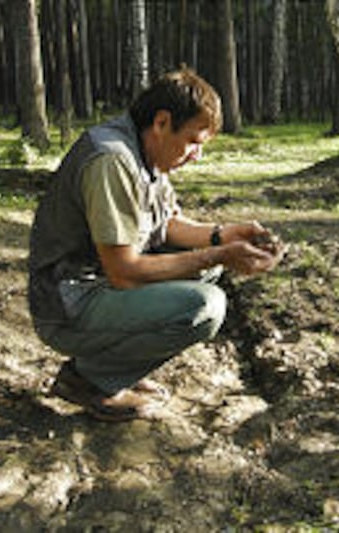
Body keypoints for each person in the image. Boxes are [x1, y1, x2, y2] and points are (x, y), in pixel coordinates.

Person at [28, 69, 280, 422]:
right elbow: (124, 273)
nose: (197, 155)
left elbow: (167, 225)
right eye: (194, 141)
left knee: (207, 268)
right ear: (162, 122)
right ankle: (89, 379)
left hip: (99, 285)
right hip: (68, 304)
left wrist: (224, 235)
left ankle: (112, 370)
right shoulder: (112, 160)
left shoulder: (148, 154)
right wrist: (221, 253)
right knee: (205, 307)